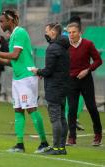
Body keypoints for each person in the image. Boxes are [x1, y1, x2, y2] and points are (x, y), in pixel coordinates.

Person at [0, 9, 49, 153]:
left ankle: (44, 143)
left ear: (10, 21)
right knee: (18, 110)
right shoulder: (13, 36)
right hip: (18, 77)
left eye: (2, 21)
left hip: (26, 77)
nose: (0, 24)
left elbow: (15, 55)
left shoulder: (20, 32)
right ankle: (20, 144)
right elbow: (12, 62)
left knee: (31, 108)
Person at [31, 23, 70, 155]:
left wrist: (37, 71)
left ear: (53, 32)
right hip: (63, 86)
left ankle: (56, 147)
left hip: (54, 87)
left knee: (55, 119)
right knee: (62, 118)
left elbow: (48, 71)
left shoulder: (52, 48)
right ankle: (61, 148)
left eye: (46, 31)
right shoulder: (64, 47)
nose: (45, 34)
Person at [66, 22, 103, 146]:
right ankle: (72, 137)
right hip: (71, 81)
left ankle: (98, 134)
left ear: (80, 33)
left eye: (74, 32)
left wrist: (87, 70)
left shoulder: (88, 44)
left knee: (92, 107)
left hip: (86, 80)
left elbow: (98, 60)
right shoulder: (65, 46)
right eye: (69, 32)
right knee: (72, 109)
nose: (71, 34)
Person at [63, 16, 85, 131]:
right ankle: (70, 118)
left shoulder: (68, 34)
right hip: (70, 72)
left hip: (74, 71)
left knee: (74, 96)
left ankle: (72, 118)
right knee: (72, 96)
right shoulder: (69, 35)